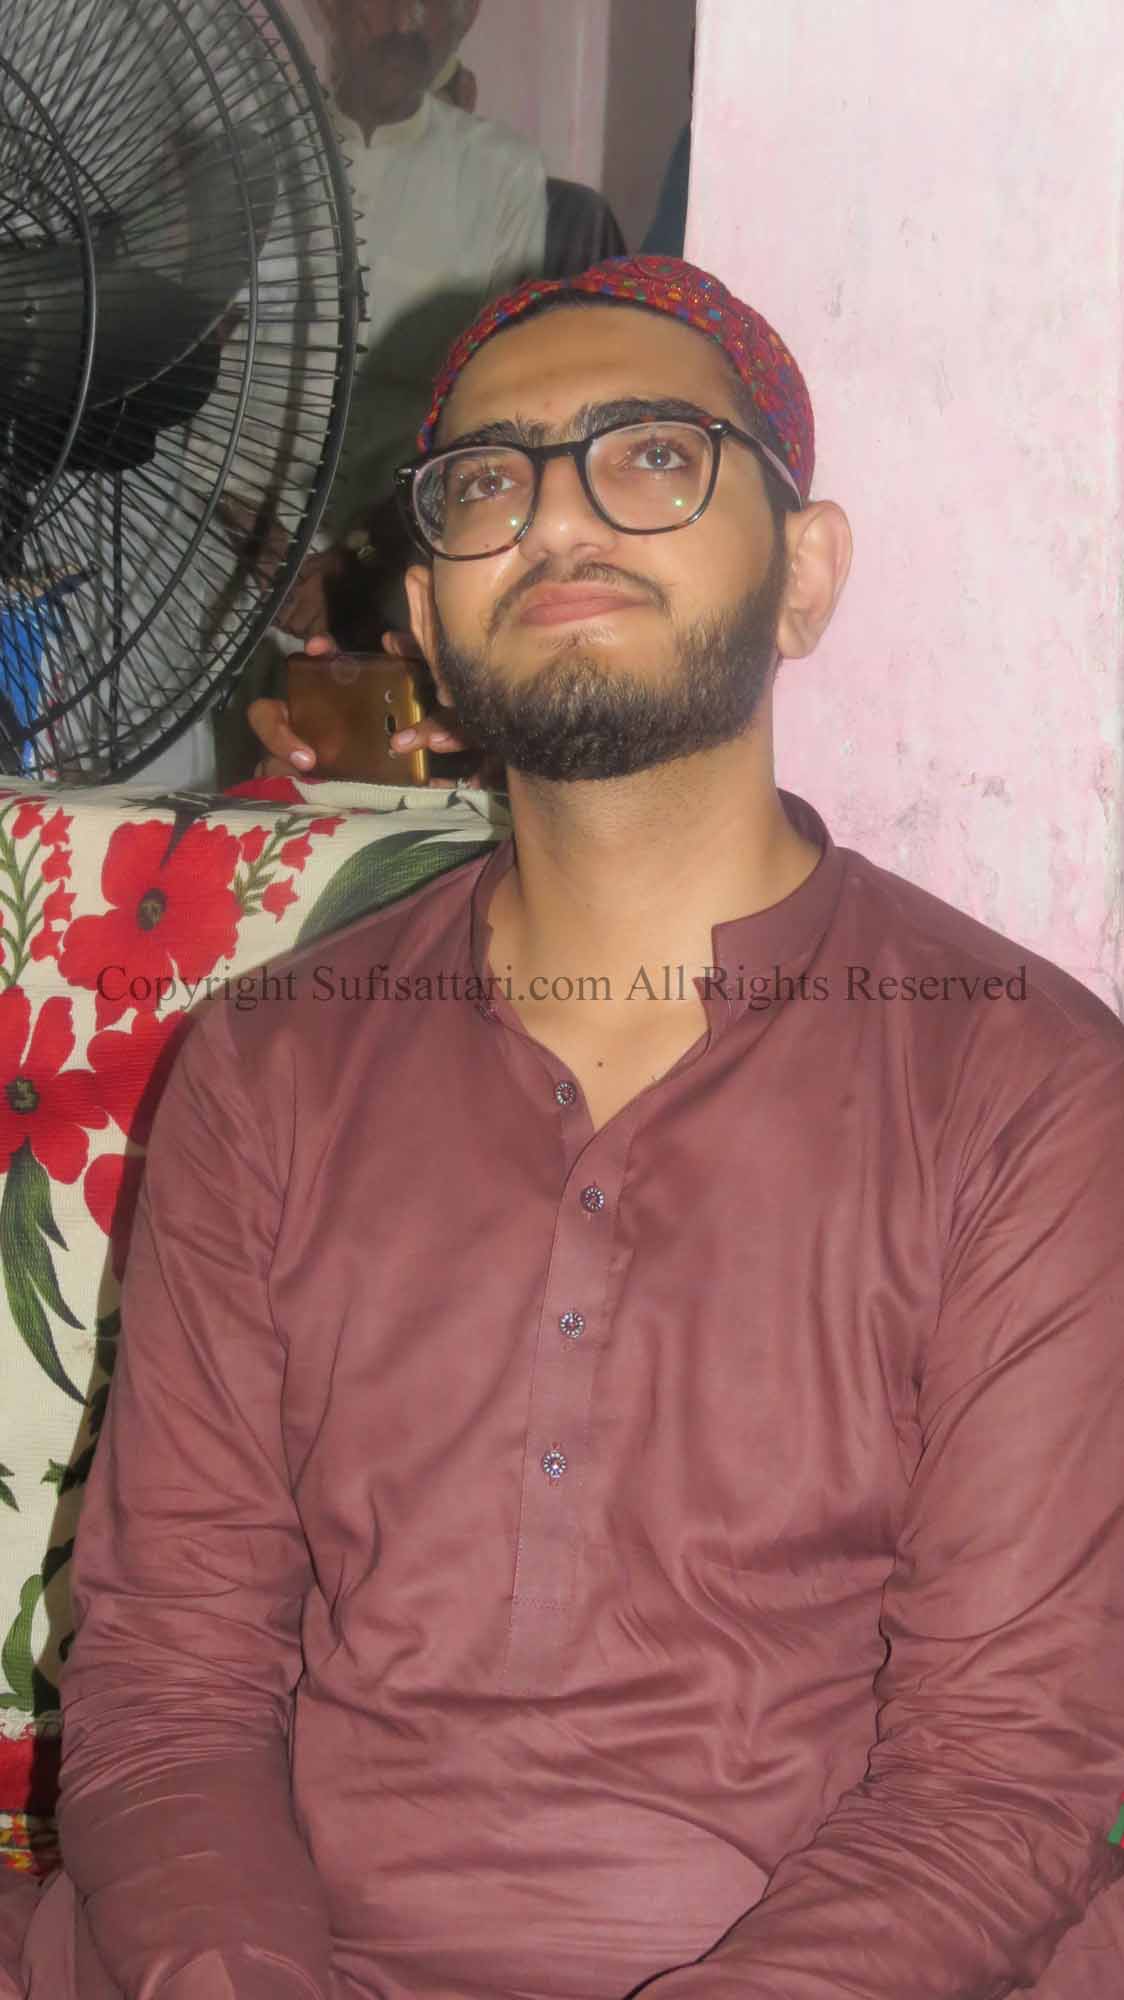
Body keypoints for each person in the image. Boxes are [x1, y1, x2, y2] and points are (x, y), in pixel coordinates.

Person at [6, 254, 1124, 1998]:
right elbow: (170, 1691)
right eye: (485, 485)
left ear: (805, 575)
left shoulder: (1021, 1086)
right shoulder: (272, 1070)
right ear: (429, 615)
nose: (558, 519)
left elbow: (996, 1778)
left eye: (653, 457)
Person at [217, 0, 549, 784]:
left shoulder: (501, 172)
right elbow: (182, 385)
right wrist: (251, 534)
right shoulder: (244, 163)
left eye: (438, 4)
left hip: (399, 540)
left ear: (465, 20)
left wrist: (350, 559)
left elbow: (494, 408)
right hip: (217, 531)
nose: (410, 20)